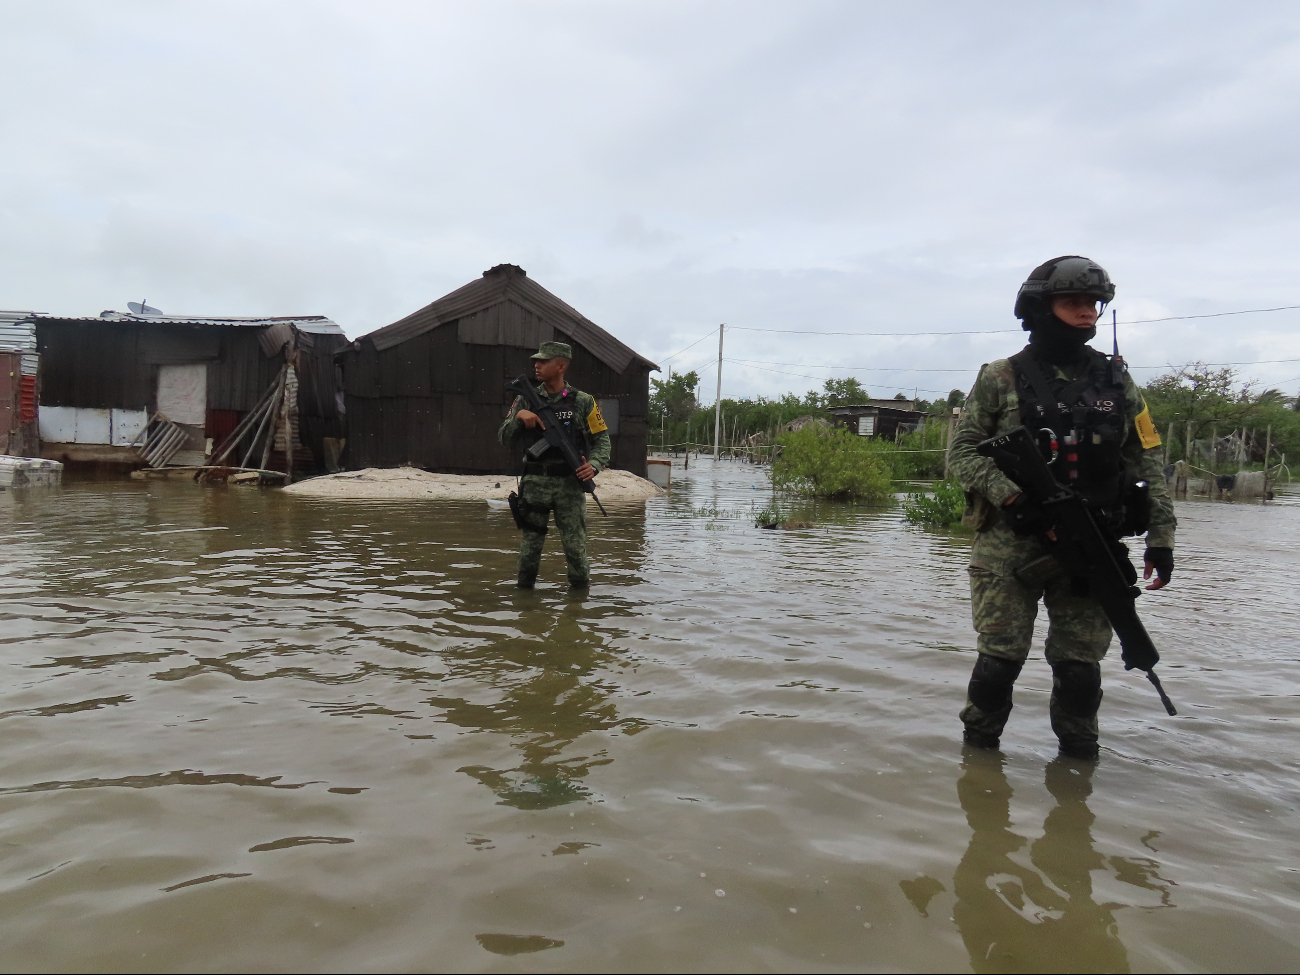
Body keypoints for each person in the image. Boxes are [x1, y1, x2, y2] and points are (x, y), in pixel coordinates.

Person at [947, 256, 1176, 759]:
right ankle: (978, 768)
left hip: (1091, 542)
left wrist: (1161, 538)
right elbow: (961, 453)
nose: (1087, 312)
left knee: (1079, 669)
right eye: (1073, 302)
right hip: (1011, 544)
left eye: (1093, 303)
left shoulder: (1117, 382)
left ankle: (1077, 772)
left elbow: (1147, 459)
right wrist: (1014, 497)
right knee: (998, 662)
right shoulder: (1001, 376)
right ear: (1041, 307)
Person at [497, 341, 610, 589]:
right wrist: (519, 417)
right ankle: (525, 605)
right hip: (535, 483)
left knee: (576, 550)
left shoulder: (583, 401)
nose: (536, 365)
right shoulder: (525, 398)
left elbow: (602, 440)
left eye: (543, 361)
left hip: (570, 484)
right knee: (529, 550)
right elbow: (504, 438)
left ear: (561, 366)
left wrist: (593, 465)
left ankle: (578, 606)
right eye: (536, 361)